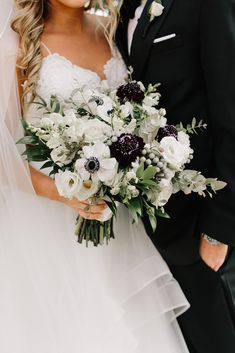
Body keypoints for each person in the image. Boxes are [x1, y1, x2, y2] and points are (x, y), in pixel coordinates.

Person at [0, 1, 190, 352]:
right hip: (49, 228)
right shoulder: (20, 42)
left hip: (117, 226)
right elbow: (2, 156)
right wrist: (66, 193)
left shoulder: (110, 30)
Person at [116, 0, 235, 352]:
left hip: (206, 228)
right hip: (155, 229)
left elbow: (230, 111)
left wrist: (219, 232)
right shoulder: (126, 9)